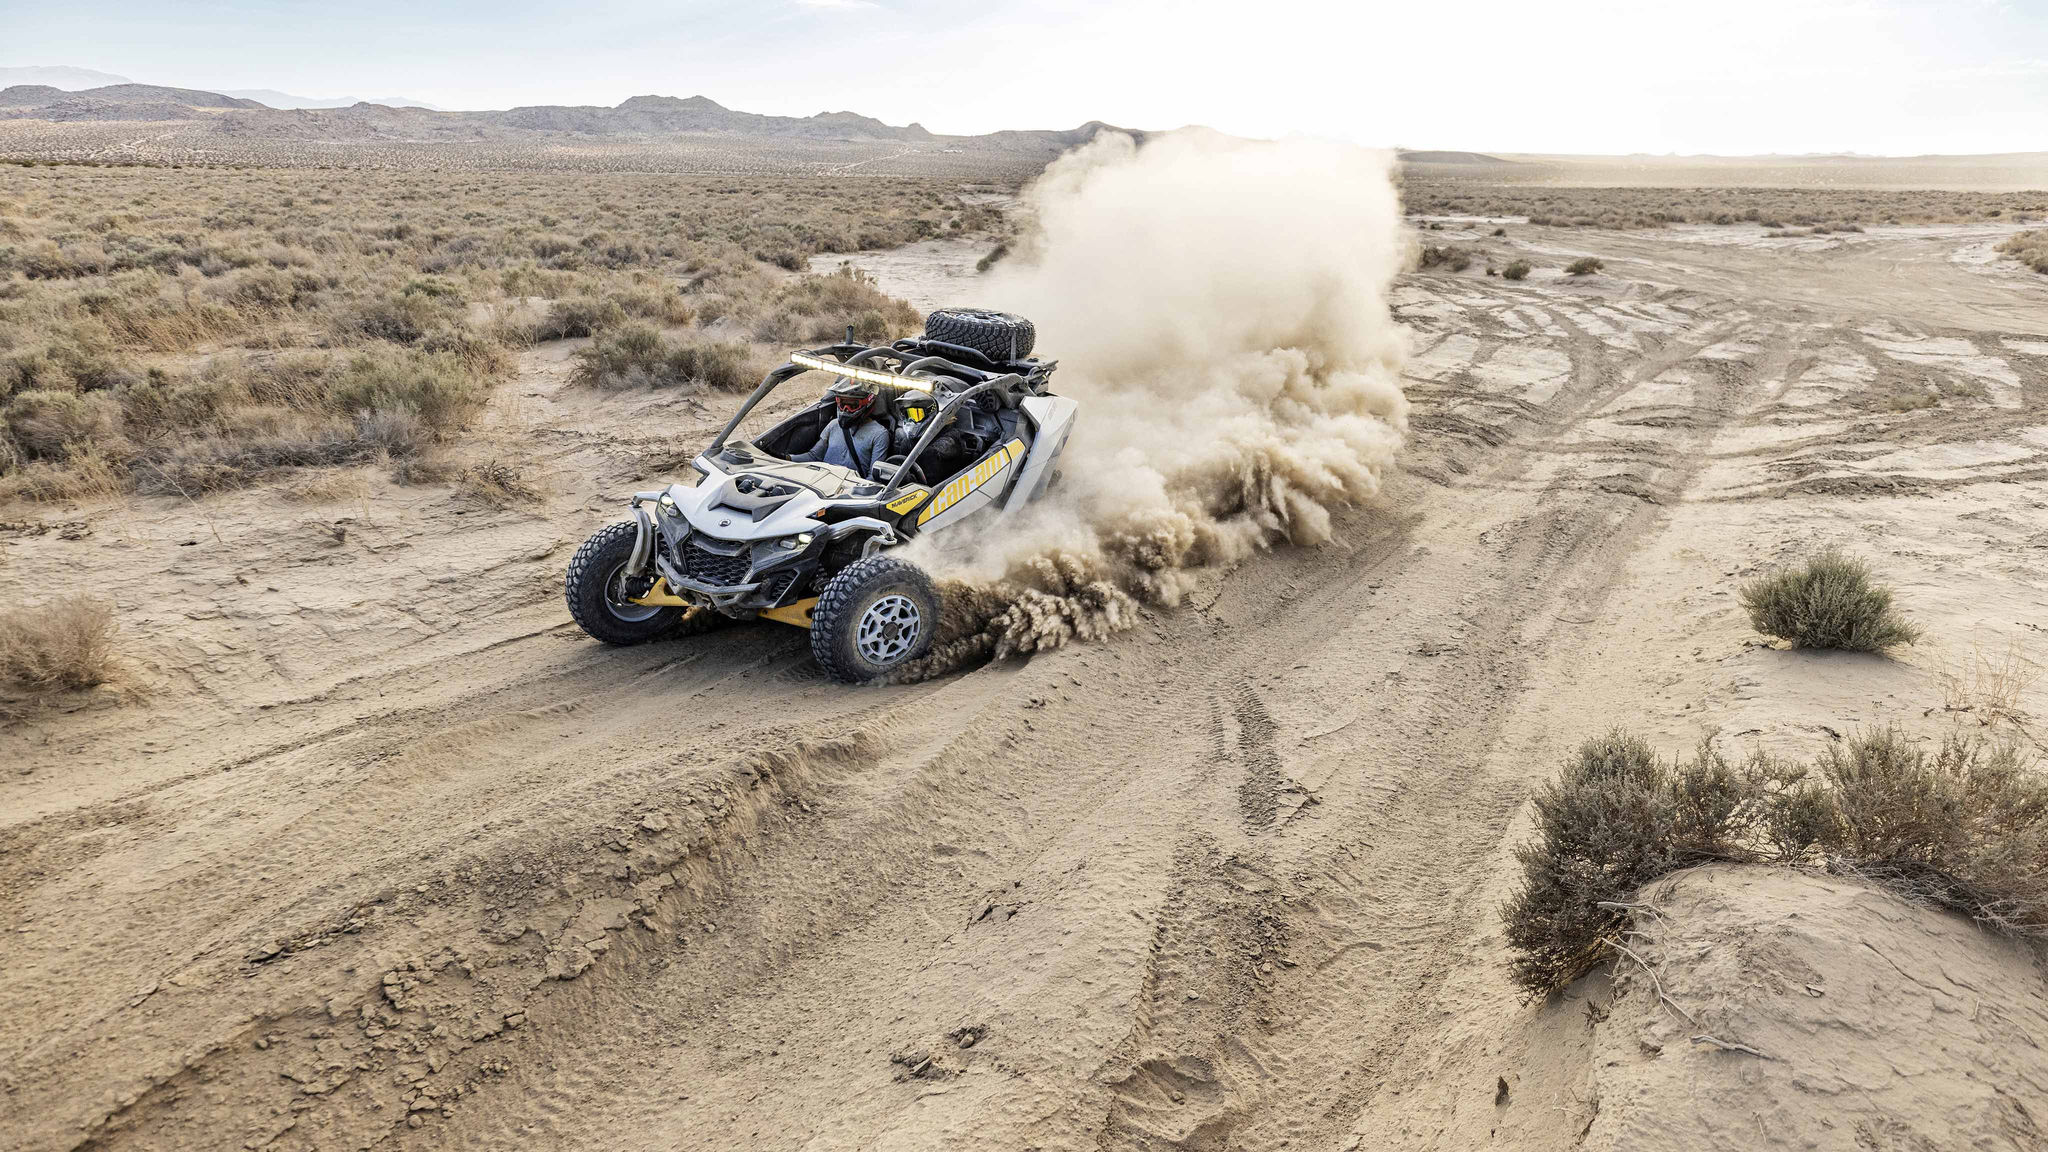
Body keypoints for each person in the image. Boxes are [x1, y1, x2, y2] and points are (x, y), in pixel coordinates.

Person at [792, 375, 891, 477]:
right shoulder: (833, 425)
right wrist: (785, 458)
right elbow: (814, 456)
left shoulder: (879, 434)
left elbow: (874, 477)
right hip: (822, 481)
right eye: (843, 404)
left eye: (852, 405)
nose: (846, 409)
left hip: (850, 488)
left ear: (867, 404)